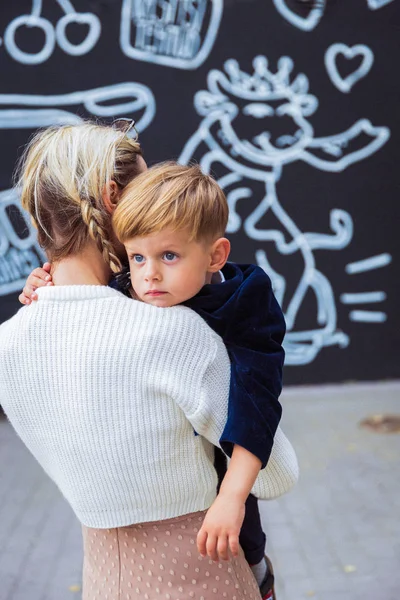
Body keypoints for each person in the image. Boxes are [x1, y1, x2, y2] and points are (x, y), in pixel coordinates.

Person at [1, 122, 298, 600]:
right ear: (114, 198)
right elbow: (278, 472)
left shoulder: (8, 344)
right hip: (203, 572)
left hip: (101, 578)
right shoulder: (173, 332)